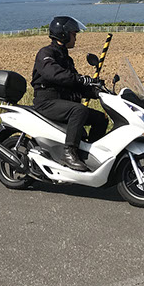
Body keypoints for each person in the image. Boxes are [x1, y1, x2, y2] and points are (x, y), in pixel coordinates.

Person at [31, 16, 109, 171]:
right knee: (79, 110)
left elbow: (74, 83)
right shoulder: (46, 53)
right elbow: (54, 74)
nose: (75, 37)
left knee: (101, 118)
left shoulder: (66, 58)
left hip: (62, 102)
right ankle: (69, 153)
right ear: (63, 34)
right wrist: (80, 79)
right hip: (47, 102)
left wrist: (97, 91)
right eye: (73, 34)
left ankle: (89, 154)